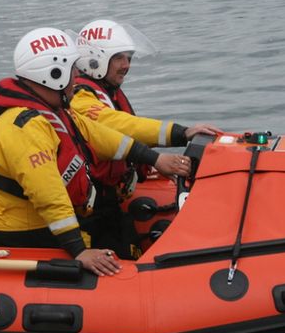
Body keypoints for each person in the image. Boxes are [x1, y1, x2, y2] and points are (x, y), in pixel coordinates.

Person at [0, 27, 189, 276]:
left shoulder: (49, 108)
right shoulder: (25, 126)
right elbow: (48, 194)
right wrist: (79, 250)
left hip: (31, 218)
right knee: (108, 246)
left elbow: (98, 134)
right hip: (16, 230)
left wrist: (155, 158)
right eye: (73, 71)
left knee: (112, 229)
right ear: (54, 74)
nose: (77, 77)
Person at [70, 19, 219, 258]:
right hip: (91, 211)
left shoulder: (106, 91)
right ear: (95, 59)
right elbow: (118, 126)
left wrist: (149, 164)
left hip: (109, 201)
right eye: (119, 58)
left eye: (128, 58)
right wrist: (181, 132)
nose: (127, 65)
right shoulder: (79, 98)